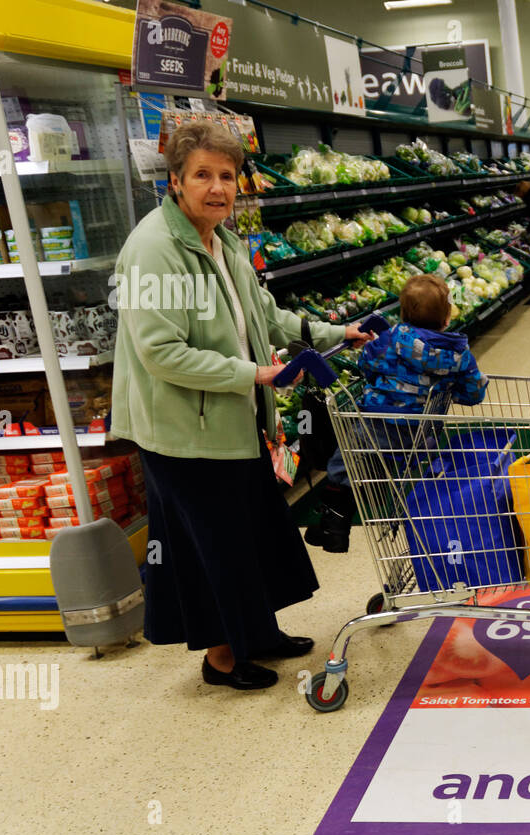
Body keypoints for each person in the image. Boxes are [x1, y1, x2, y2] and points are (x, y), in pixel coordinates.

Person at [110, 122, 374, 691]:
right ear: (176, 181)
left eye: (226, 176)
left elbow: (266, 317)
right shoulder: (153, 250)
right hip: (181, 430)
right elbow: (161, 354)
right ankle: (222, 656)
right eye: (202, 174)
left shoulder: (223, 241)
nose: (217, 187)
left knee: (251, 531)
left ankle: (258, 630)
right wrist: (254, 374)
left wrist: (333, 332)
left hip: (232, 417)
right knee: (214, 545)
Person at [305, 274, 488, 553]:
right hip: (419, 434)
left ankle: (336, 527)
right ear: (447, 317)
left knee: (343, 466)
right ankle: (335, 521)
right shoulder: (459, 353)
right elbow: (474, 393)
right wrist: (451, 391)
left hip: (377, 425)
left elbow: (366, 365)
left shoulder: (390, 342)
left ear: (403, 313)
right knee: (372, 471)